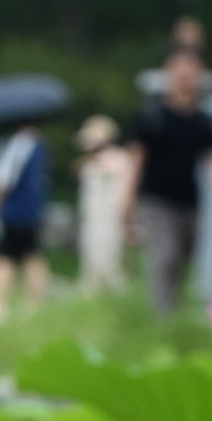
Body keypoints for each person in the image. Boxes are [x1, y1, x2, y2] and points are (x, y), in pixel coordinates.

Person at [123, 48, 212, 314]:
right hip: (156, 198)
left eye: (191, 71)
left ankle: (174, 307)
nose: (186, 76)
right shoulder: (152, 117)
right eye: (180, 71)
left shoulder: (203, 121)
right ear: (169, 74)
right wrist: (126, 200)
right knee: (166, 254)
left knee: (185, 257)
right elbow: (136, 160)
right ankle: (162, 315)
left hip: (188, 200)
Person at [0, 119, 50, 325]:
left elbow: (2, 179)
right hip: (32, 210)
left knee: (3, 257)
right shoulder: (38, 143)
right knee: (32, 255)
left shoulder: (15, 144)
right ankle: (34, 306)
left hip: (13, 210)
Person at [73, 115, 129, 294]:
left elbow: (125, 185)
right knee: (90, 255)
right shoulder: (89, 161)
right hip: (91, 215)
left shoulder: (119, 158)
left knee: (109, 257)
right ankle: (90, 290)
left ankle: (117, 292)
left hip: (111, 216)